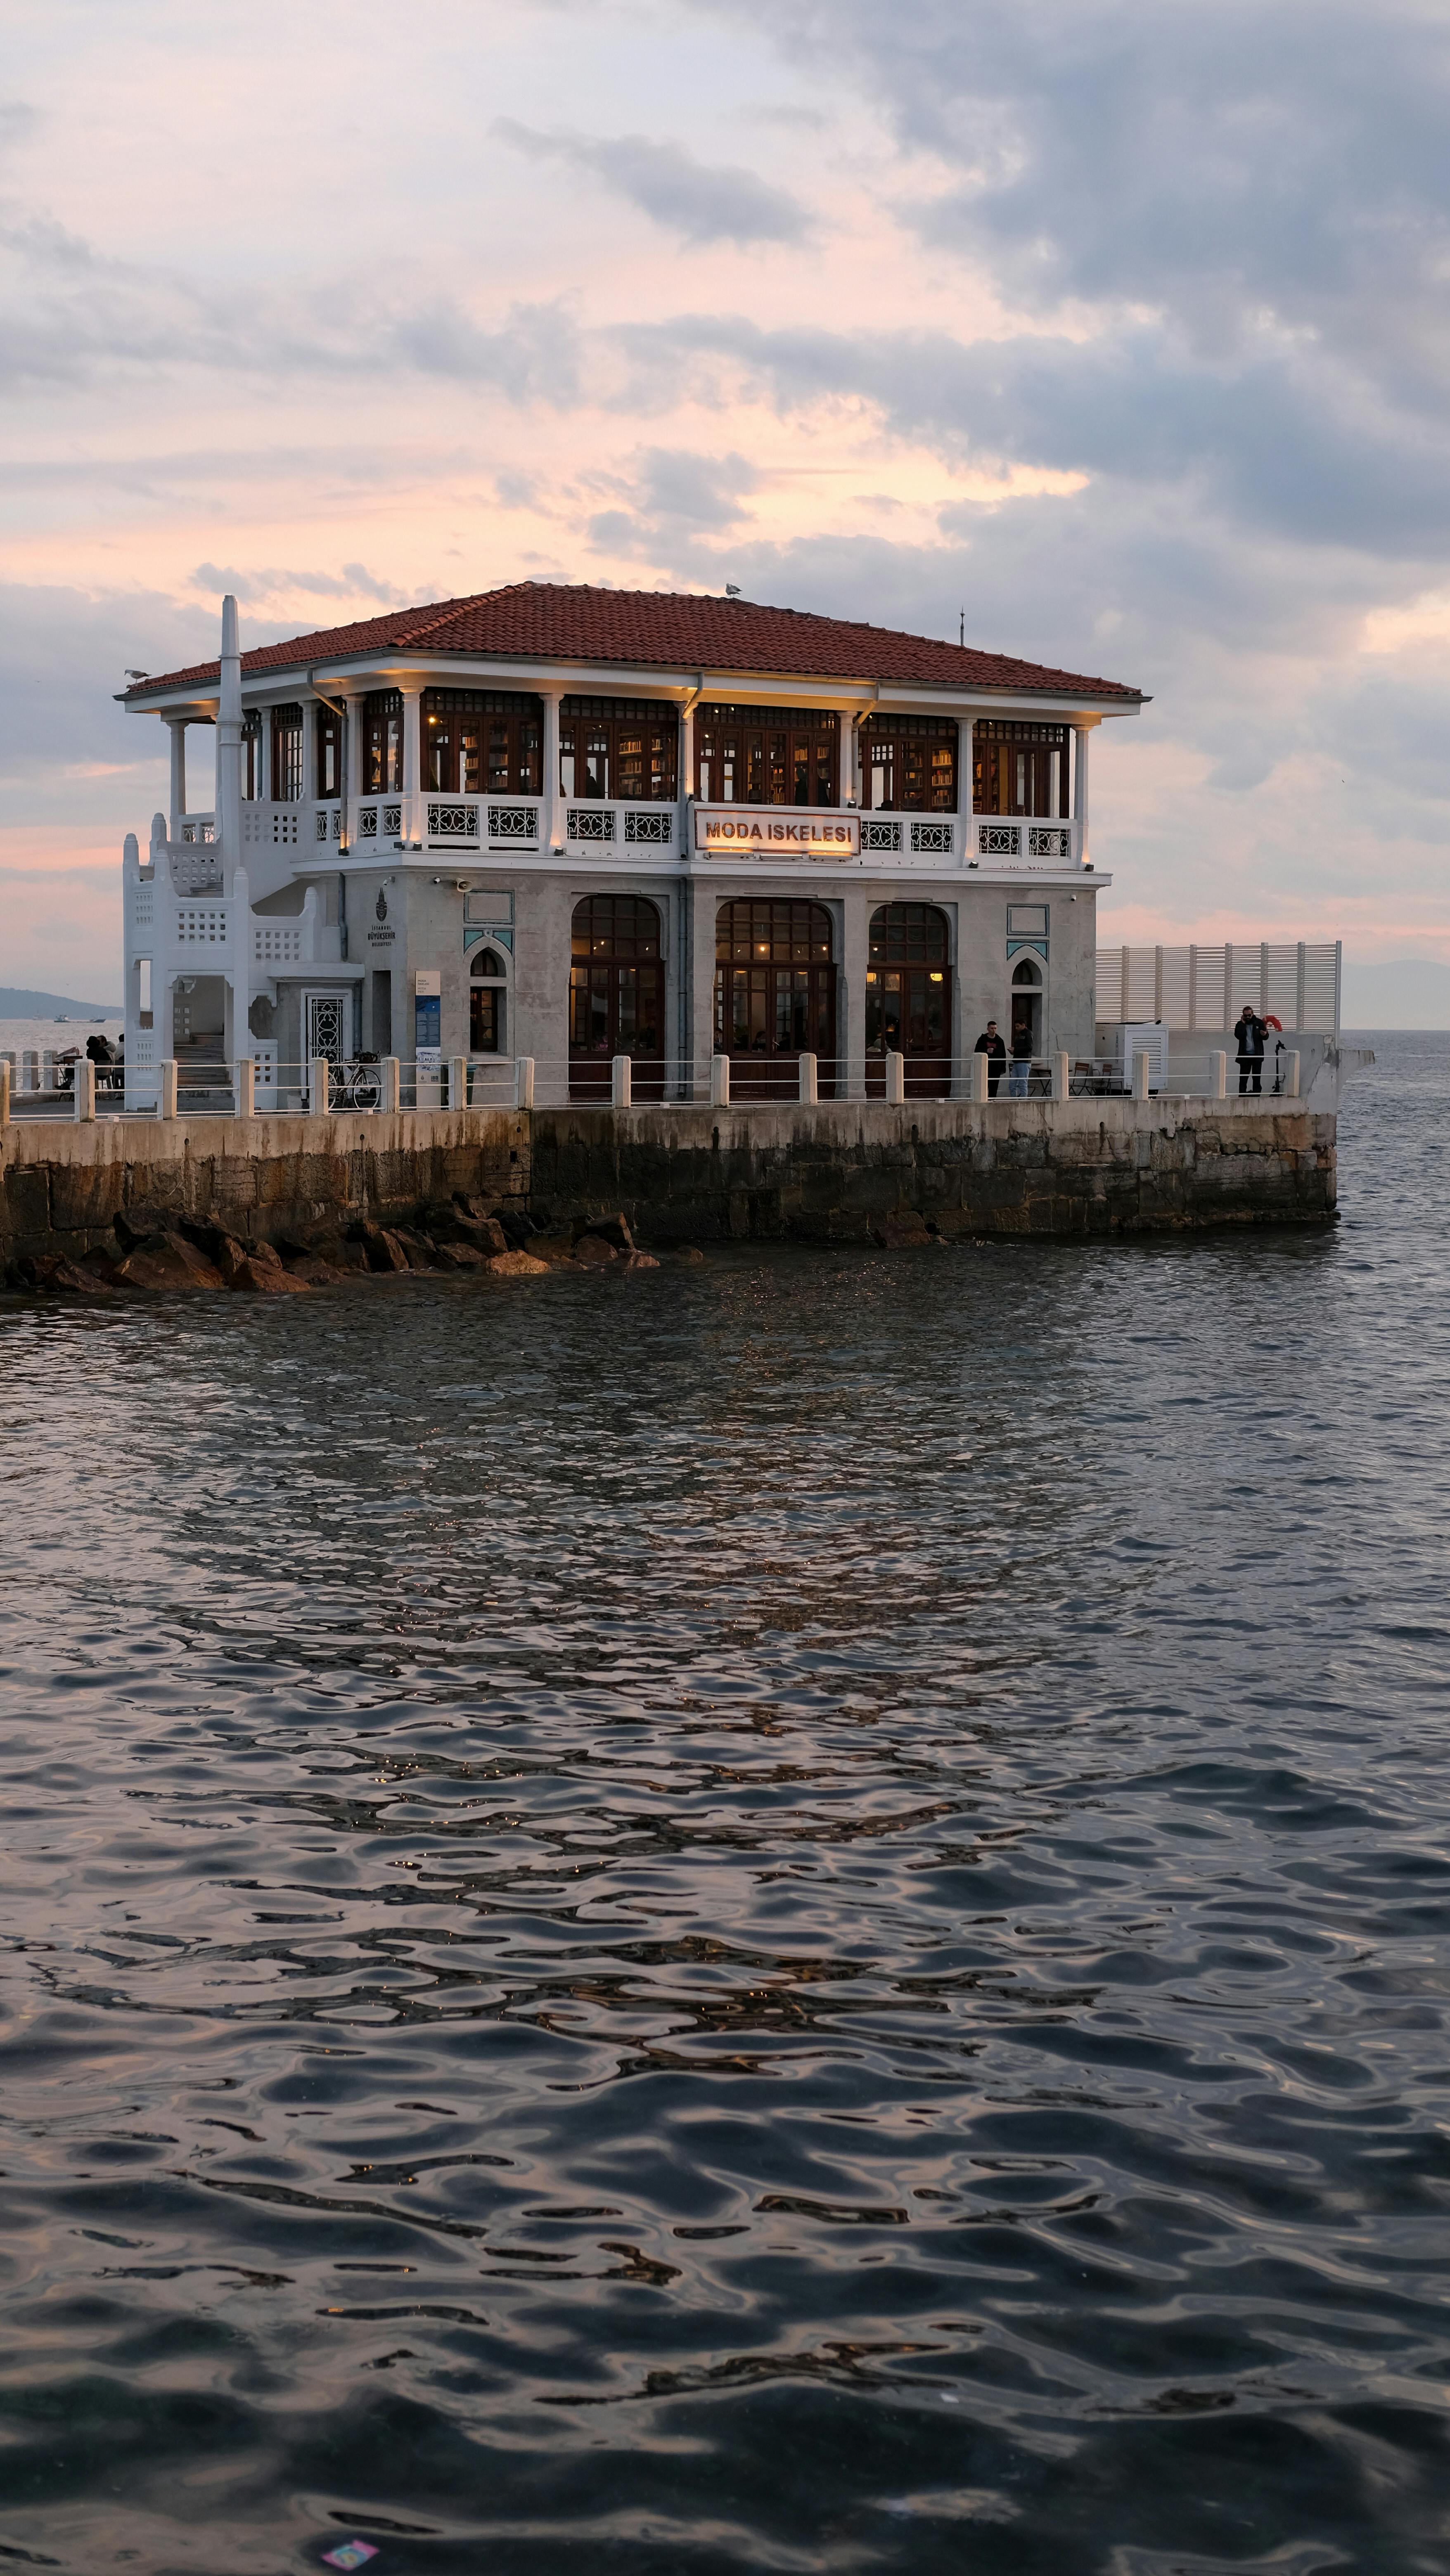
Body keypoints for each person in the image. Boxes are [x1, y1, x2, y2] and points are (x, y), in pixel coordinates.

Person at [1233, 1002, 1267, 1094]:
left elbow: (1266, 1037)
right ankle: (1242, 1095)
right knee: (1243, 1077)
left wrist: (1265, 1035)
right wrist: (1243, 1024)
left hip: (1257, 1055)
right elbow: (1238, 1036)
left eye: (1249, 1015)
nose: (1248, 1017)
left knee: (1257, 1077)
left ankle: (1257, 1095)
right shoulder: (1240, 1024)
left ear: (1252, 1014)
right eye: (1246, 1016)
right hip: (1245, 1056)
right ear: (1243, 1016)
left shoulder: (1259, 1023)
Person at [974, 1018, 1006, 1098]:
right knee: (984, 1085)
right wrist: (986, 1050)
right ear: (988, 1029)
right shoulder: (982, 1039)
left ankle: (992, 1100)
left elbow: (1003, 1055)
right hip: (985, 1067)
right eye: (992, 1028)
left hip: (996, 1067)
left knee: (994, 1086)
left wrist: (1003, 1068)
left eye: (995, 1028)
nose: (994, 1030)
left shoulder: (1000, 1041)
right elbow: (977, 1051)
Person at [1008, 1016, 1033, 1097]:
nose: (1016, 1028)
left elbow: (1030, 1047)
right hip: (1017, 1061)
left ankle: (1023, 1101)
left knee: (1023, 1084)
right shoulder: (1019, 1035)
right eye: (1015, 1026)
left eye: (1018, 1026)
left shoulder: (1028, 1033)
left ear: (1023, 1025)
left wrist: (1015, 1050)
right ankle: (1014, 1101)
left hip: (1024, 1061)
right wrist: (1014, 1051)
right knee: (1012, 1084)